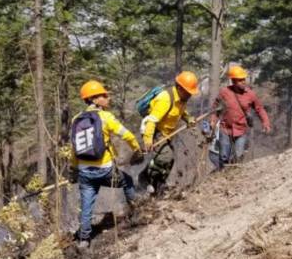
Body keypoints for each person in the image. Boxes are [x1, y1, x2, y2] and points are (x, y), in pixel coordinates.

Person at [69, 80, 144, 249]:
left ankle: (84, 240)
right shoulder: (105, 117)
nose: (107, 98)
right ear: (94, 99)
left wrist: (73, 170)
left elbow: (74, 149)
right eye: (104, 95)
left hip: (84, 172)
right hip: (105, 170)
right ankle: (138, 210)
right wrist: (137, 150)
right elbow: (127, 135)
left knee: (86, 205)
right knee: (126, 181)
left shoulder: (76, 119)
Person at [140, 71, 200, 191]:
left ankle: (159, 185)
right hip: (154, 131)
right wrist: (147, 140)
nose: (190, 95)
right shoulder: (165, 99)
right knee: (165, 157)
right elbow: (152, 120)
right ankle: (144, 177)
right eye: (188, 92)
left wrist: (189, 119)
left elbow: (181, 112)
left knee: (170, 160)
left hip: (166, 134)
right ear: (179, 88)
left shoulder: (182, 100)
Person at [209, 65, 271, 168]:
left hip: (241, 129)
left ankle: (234, 174)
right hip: (225, 129)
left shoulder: (250, 94)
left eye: (244, 79)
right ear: (233, 81)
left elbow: (259, 109)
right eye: (240, 80)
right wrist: (212, 122)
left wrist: (266, 123)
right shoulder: (224, 92)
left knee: (238, 155)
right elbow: (215, 109)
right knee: (224, 156)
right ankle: (222, 175)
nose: (243, 81)